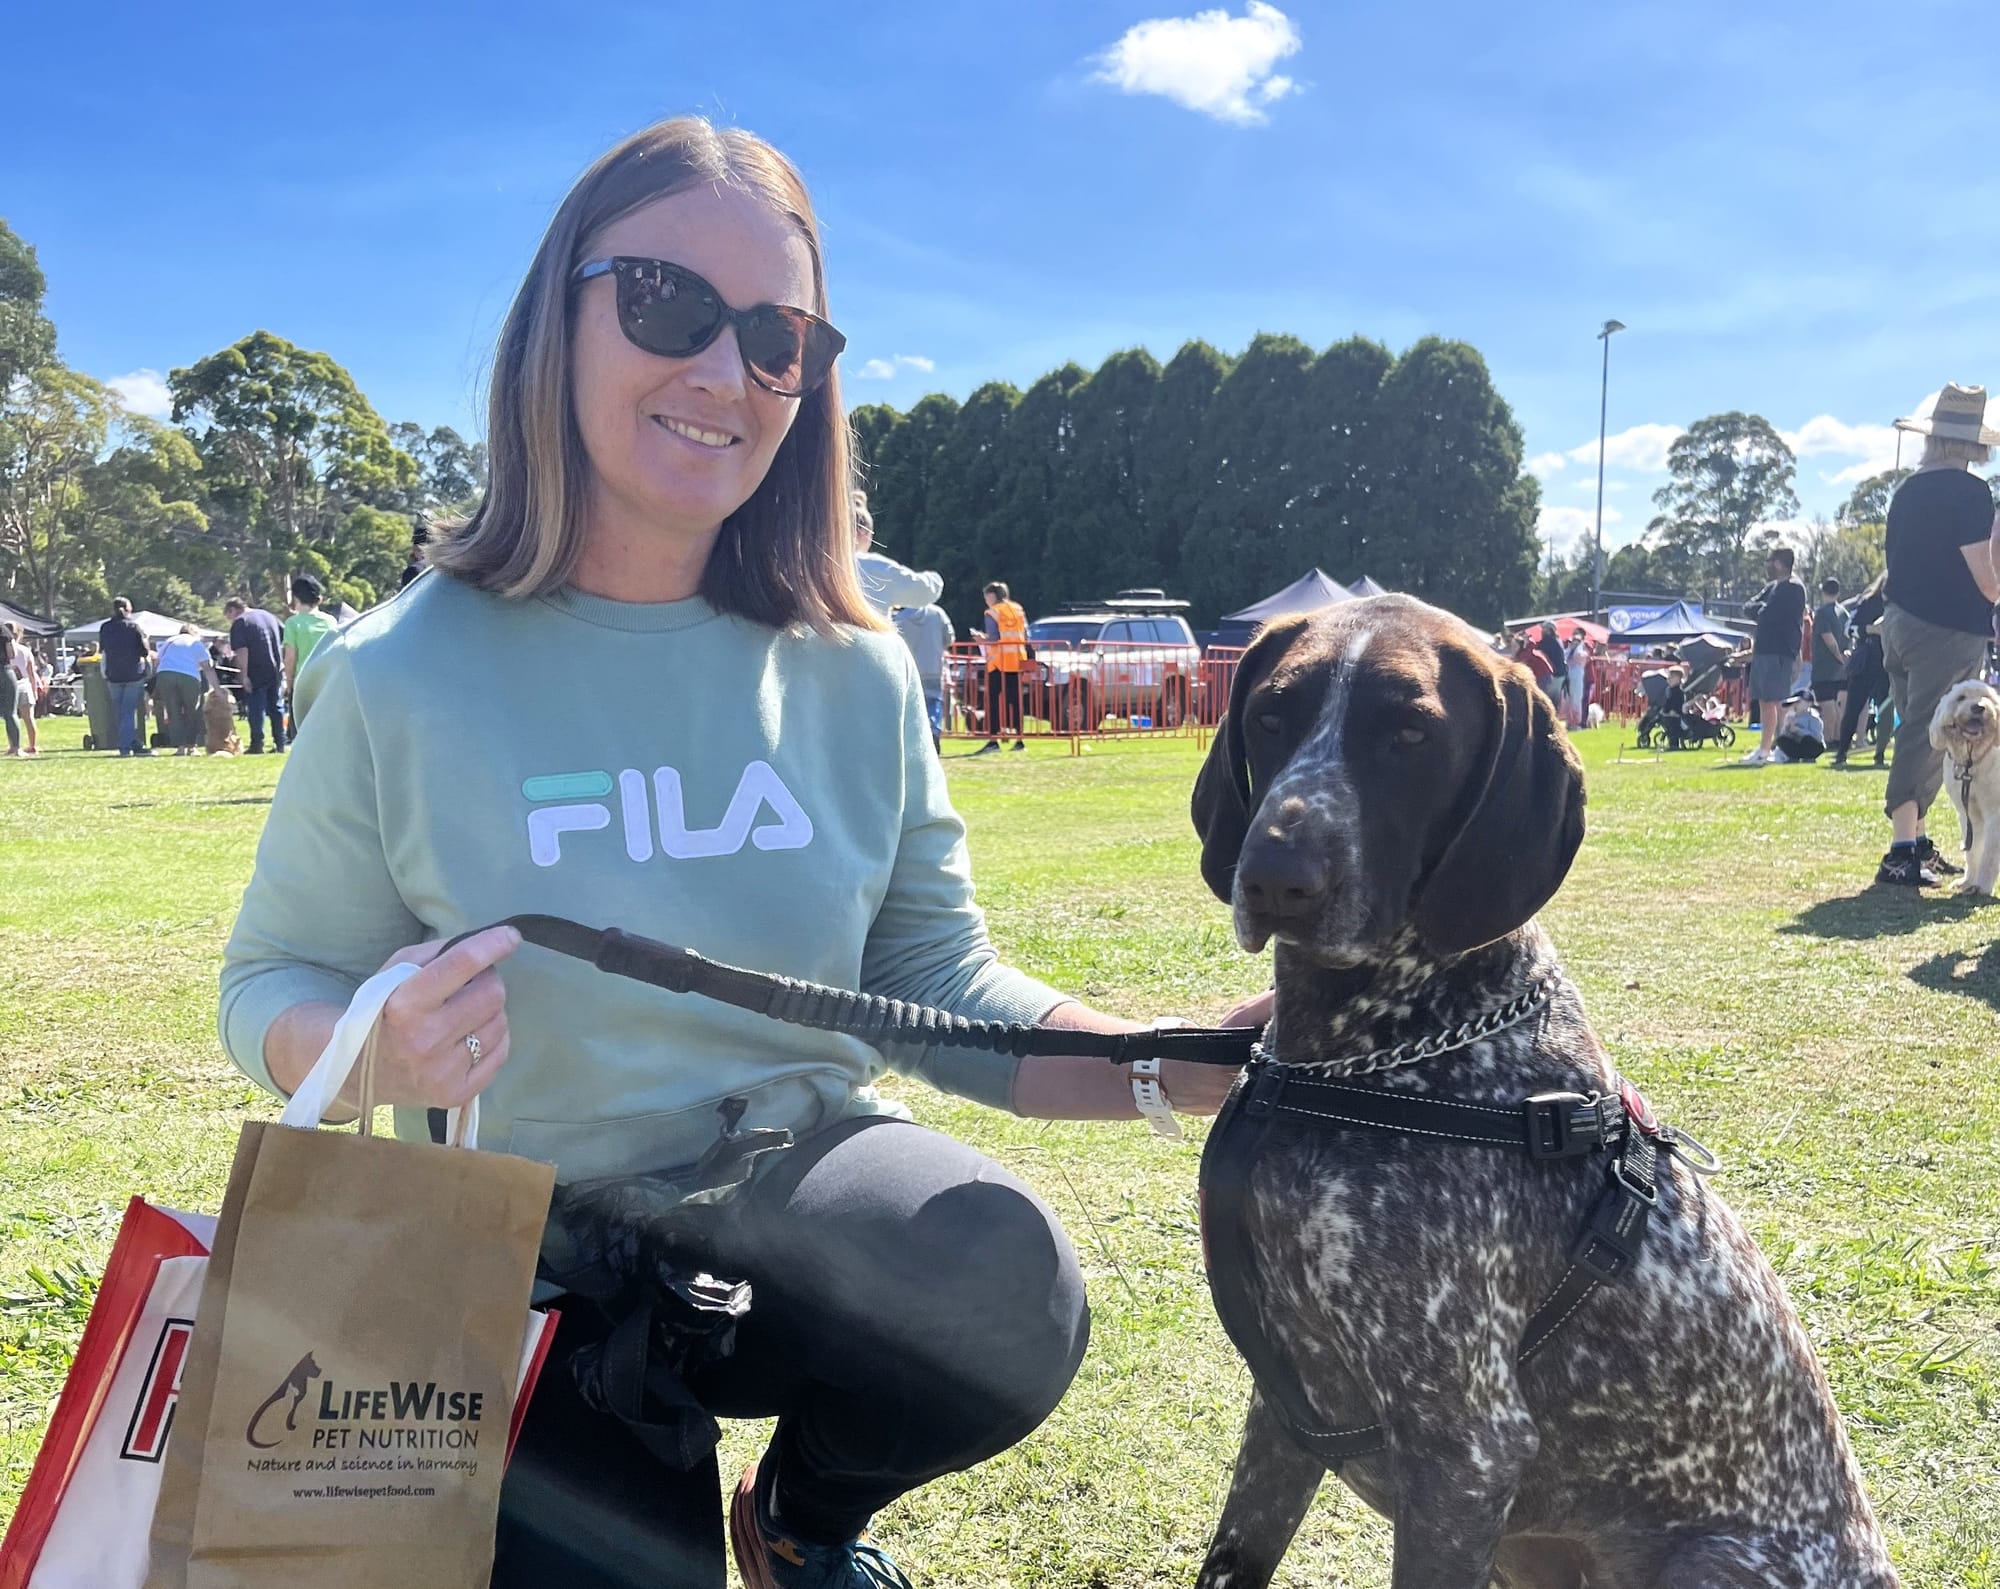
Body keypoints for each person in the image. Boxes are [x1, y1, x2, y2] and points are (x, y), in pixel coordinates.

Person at [216, 116, 1258, 1589]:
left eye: (779, 337)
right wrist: (370, 1047)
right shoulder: (397, 672)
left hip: (788, 1202)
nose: (723, 372)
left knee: (1001, 1275)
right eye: (665, 304)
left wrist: (1171, 1059)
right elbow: (270, 979)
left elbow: (928, 975)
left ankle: (797, 1529)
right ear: (556, 318)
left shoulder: (857, 667)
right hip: (528, 1262)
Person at [1874, 383, 2000, 885]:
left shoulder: (1908, 487)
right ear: (1973, 443)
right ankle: (1902, 849)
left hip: (1899, 621)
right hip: (1945, 630)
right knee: (1927, 734)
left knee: (1915, 723)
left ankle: (1919, 842)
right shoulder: (1969, 492)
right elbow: (1985, 577)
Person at [1740, 546, 1807, 765]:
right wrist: (1762, 609)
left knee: (1775, 700)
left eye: (1769, 561)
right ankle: (1765, 749)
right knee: (1764, 700)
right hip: (1764, 649)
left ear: (1779, 563)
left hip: (1779, 652)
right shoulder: (1772, 588)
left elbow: (1770, 615)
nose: (1767, 565)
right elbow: (1749, 607)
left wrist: (1762, 610)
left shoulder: (1794, 589)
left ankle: (1781, 748)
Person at [1831, 574, 1892, 768]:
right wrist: (1870, 629)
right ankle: (1842, 752)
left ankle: (1880, 753)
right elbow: (1849, 628)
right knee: (1853, 708)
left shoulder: (1901, 606)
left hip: (1889, 661)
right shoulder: (1867, 603)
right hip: (1866, 661)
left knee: (1886, 709)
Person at [851, 490, 943, 618]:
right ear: (863, 532)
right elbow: (922, 592)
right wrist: (935, 578)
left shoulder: (817, 568)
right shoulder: (877, 568)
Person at [224, 595, 288, 754]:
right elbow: (286, 639)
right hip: (275, 668)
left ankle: (257, 744)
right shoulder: (269, 616)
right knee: (276, 706)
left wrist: (244, 675)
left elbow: (242, 650)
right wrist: (283, 662)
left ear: (232, 610)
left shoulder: (241, 622)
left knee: (256, 707)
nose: (230, 620)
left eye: (228, 616)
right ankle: (280, 743)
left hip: (255, 668)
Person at [280, 574, 340, 733]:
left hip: (303, 681)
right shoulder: (331, 621)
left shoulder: (293, 624)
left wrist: (289, 683)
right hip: (327, 680)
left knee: (301, 730)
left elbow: (290, 657)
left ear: (296, 597)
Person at [892, 601, 953, 752]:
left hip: (910, 669)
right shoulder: (938, 613)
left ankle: (918, 739)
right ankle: (934, 730)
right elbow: (949, 638)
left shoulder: (899, 618)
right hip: (933, 667)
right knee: (934, 703)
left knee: (913, 706)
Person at [98, 597, 155, 757]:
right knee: (128, 711)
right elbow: (144, 652)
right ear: (128, 609)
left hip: (113, 674)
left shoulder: (106, 627)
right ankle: (125, 746)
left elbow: (104, 649)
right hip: (133, 674)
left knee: (121, 712)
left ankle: (131, 741)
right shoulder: (134, 627)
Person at [977, 580, 1029, 753]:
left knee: (992, 700)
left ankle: (993, 741)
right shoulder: (1018, 609)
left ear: (992, 596)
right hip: (1016, 660)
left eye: (986, 596)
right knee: (1016, 701)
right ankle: (1020, 740)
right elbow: (1026, 635)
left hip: (998, 662)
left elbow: (993, 638)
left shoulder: (992, 612)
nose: (986, 600)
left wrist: (981, 640)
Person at [154, 623, 213, 756]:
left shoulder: (169, 641)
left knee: (173, 712)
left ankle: (180, 747)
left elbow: (158, 661)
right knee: (193, 711)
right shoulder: (196, 643)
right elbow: (207, 666)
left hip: (165, 674)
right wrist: (215, 687)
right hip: (189, 676)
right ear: (194, 632)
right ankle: (191, 746)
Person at [1809, 577, 1849, 725]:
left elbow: (1829, 639)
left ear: (1823, 591)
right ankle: (1838, 737)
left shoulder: (1822, 613)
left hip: (1825, 667)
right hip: (1842, 670)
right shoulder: (1844, 613)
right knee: (1838, 705)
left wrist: (1838, 658)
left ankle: (1829, 738)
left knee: (1827, 704)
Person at [1, 622, 39, 756]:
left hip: (12, 679)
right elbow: (30, 671)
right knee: (22, 716)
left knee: (9, 714)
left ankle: (13, 746)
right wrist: (35, 689)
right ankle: (26, 746)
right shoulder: (23, 648)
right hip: (16, 679)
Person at [1772, 696, 1827, 763]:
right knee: (1781, 740)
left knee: (1807, 739)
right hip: (1797, 743)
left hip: (1814, 746)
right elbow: (1784, 735)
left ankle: (1809, 757)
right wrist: (1787, 728)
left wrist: (1799, 731)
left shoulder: (1813, 717)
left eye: (1798, 702)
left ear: (1809, 703)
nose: (1795, 705)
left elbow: (1817, 737)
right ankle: (1793, 756)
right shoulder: (1790, 716)